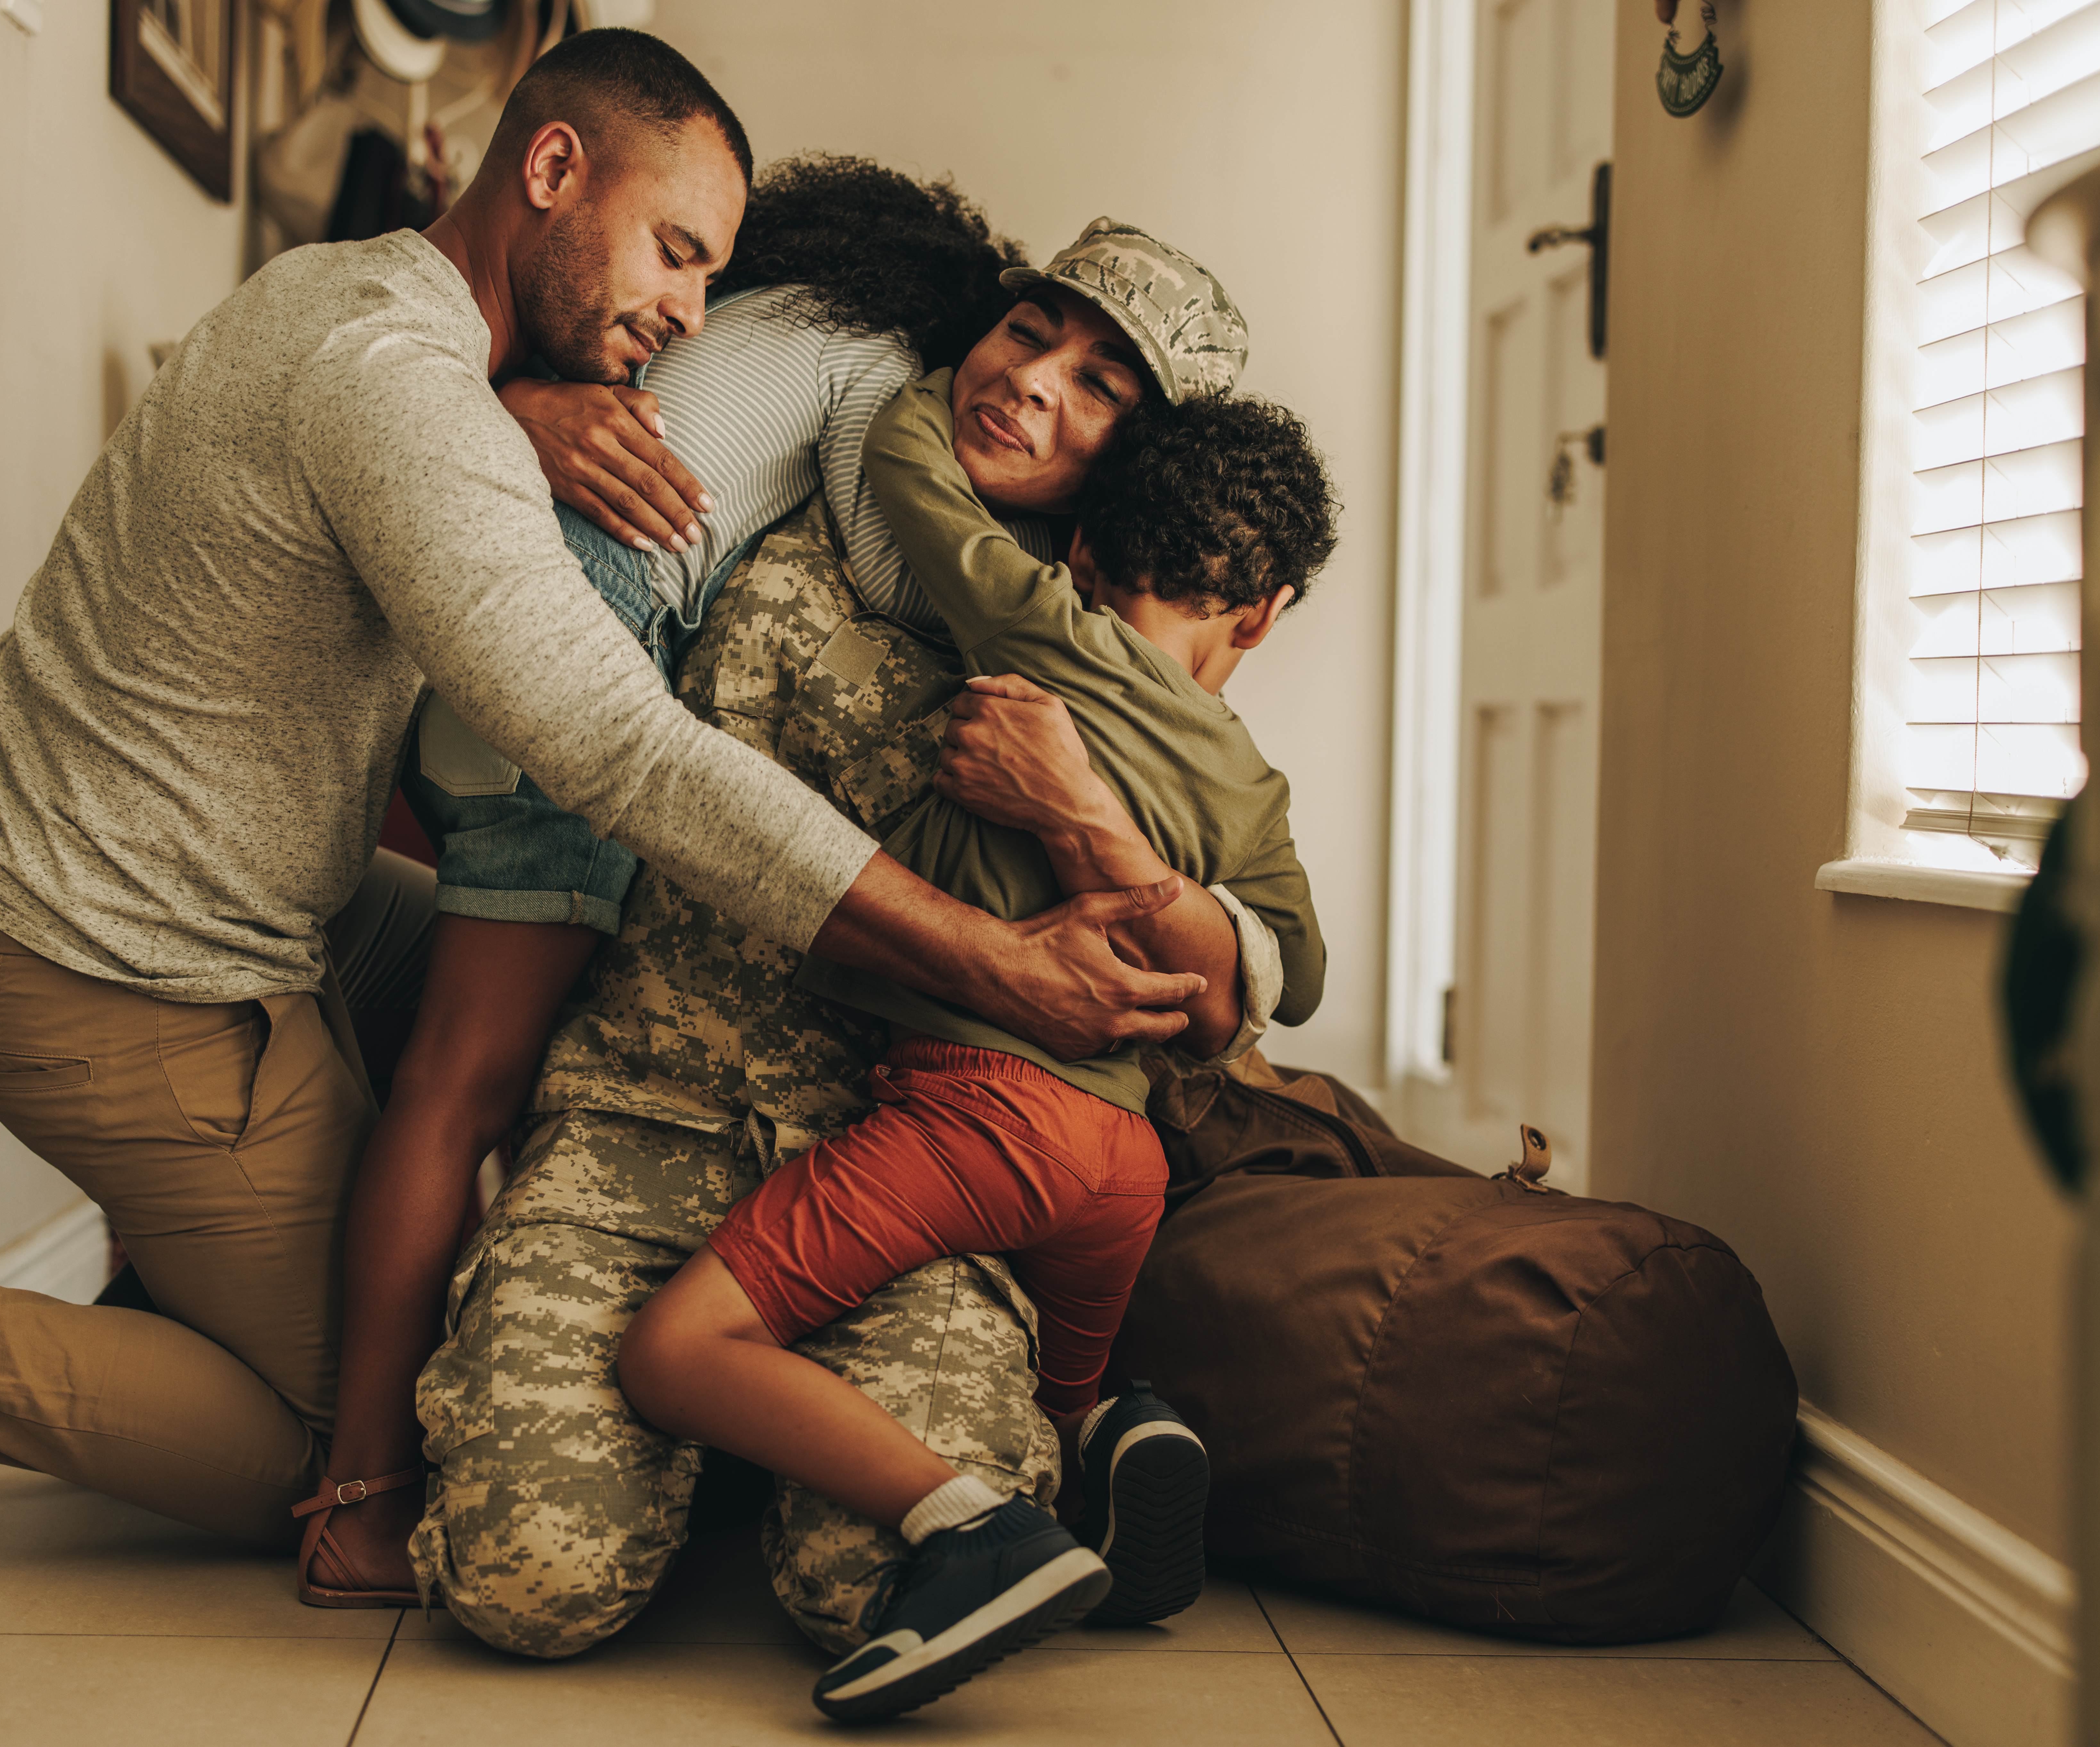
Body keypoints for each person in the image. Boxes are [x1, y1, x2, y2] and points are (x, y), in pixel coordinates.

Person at [0, 31, 1202, 1590]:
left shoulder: (358, 298)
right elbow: (621, 745)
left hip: (261, 900)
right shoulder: (396, 384)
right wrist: (985, 961)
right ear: (549, 170)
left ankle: (234, 1278)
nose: (684, 316)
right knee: (380, 1423)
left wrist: (520, 405)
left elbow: (408, 432)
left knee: (560, 1008)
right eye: (674, 255)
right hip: (105, 957)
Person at [393, 226, 1326, 1668]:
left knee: (874, 1582)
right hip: (641, 1115)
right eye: (1027, 336)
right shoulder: (777, 488)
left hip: (903, 1161)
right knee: (528, 1582)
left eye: (1099, 390)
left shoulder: (1089, 648)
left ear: (1141, 470)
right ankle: (708, 1453)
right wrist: (528, 405)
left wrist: (1082, 813)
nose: (1028, 387)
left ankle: (835, 1457)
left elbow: (1231, 990)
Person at [299, 155, 1067, 1606]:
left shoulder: (733, 325)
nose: (1012, 391)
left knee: (446, 1090)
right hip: (575, 680)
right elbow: (883, 542)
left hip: (463, 686)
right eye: (1011, 343)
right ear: (952, 313)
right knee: (465, 1087)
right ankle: (367, 1492)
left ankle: (391, 1464)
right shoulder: (875, 367)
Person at [618, 295, 1339, 1723]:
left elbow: (904, 459)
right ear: (1263, 613)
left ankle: (974, 1529)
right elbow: (1292, 977)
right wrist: (1175, 897)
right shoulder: (1251, 784)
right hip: (1121, 1172)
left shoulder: (1040, 625)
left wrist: (952, 358)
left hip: (981, 1113)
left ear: (1075, 544)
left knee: (673, 1350)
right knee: (1053, 1396)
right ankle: (1104, 1441)